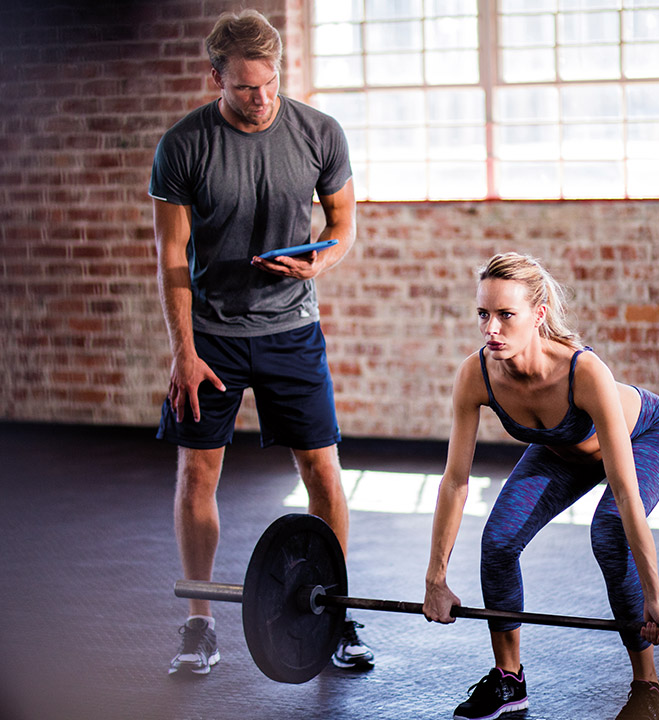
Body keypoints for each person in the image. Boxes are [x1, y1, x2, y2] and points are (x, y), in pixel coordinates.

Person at [149, 9, 373, 677]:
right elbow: (170, 256)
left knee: (323, 473)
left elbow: (343, 224)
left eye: (271, 82)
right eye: (246, 87)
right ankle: (199, 623)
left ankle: (333, 612)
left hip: (292, 332)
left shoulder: (318, 132)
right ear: (214, 77)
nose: (263, 97)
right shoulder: (183, 145)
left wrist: (319, 264)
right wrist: (183, 351)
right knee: (197, 475)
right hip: (212, 337)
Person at [423, 253, 659, 720]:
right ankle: (509, 679)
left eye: (506, 315)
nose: (491, 329)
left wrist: (654, 598)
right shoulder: (476, 375)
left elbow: (625, 495)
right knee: (499, 541)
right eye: (484, 314)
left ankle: (649, 687)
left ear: (537, 316)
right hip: (563, 448)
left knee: (608, 531)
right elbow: (455, 482)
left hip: (643, 438)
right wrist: (435, 580)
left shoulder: (584, 373)